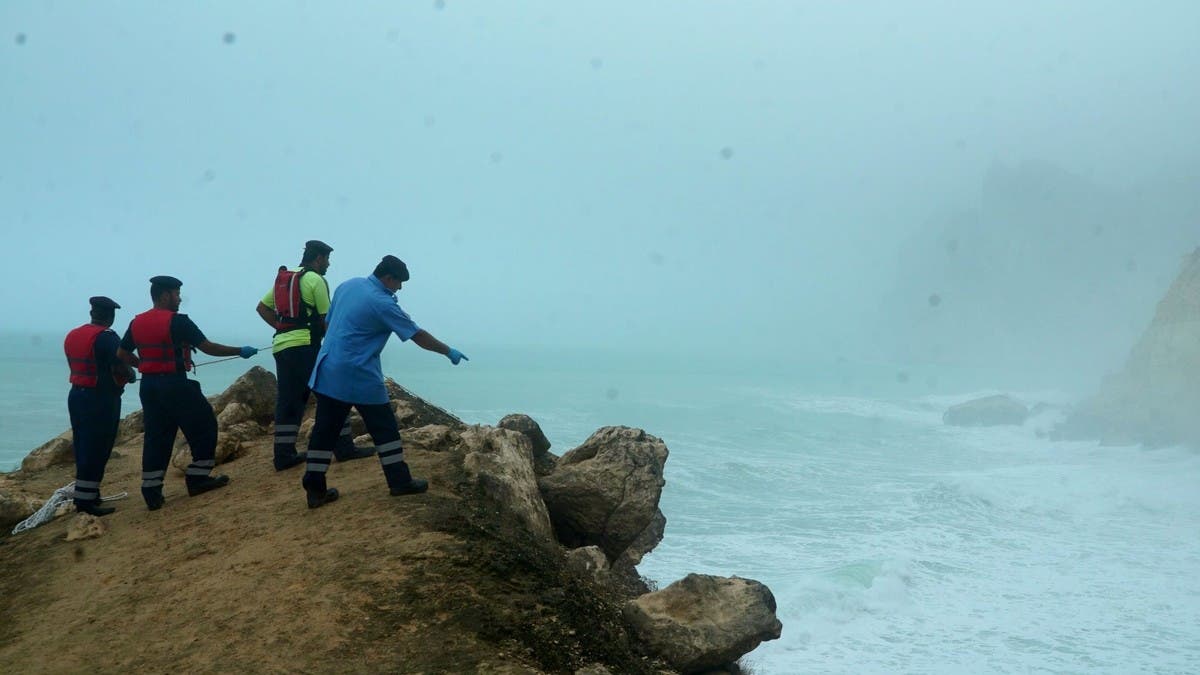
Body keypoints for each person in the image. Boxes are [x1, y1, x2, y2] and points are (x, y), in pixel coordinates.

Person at [301, 255, 467, 509]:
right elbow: (417, 336)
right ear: (388, 278)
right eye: (398, 283)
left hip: (327, 368)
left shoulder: (348, 285)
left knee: (324, 431)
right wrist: (448, 351)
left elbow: (327, 322)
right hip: (358, 373)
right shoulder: (382, 303)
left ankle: (314, 490)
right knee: (385, 429)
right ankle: (400, 482)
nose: (399, 288)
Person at [117, 275, 259, 510]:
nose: (180, 299)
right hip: (175, 384)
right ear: (165, 295)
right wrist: (239, 351)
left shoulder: (136, 323)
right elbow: (208, 347)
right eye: (176, 294)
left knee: (156, 438)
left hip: (149, 387)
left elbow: (122, 354)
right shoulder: (179, 321)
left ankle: (151, 492)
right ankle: (198, 478)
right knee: (205, 426)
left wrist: (142, 364)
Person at [255, 240, 374, 471]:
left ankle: (283, 455)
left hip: (282, 347)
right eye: (327, 259)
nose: (328, 264)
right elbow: (326, 321)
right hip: (306, 347)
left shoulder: (286, 279)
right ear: (318, 258)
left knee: (289, 401)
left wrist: (283, 329)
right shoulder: (316, 280)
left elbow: (261, 308)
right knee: (333, 393)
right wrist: (338, 350)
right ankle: (344, 448)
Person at [63, 296, 136, 516]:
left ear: (92, 313)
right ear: (110, 316)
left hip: (77, 394)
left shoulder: (73, 335)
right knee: (99, 447)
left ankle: (88, 494)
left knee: (83, 445)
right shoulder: (107, 338)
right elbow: (121, 365)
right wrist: (132, 374)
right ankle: (87, 502)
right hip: (101, 398)